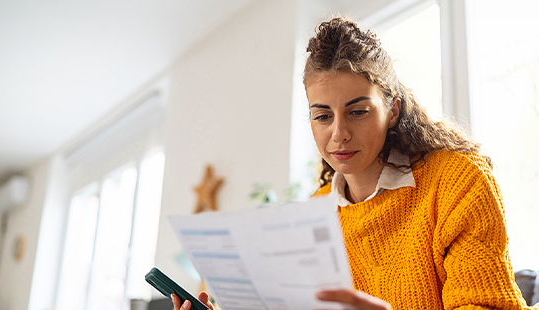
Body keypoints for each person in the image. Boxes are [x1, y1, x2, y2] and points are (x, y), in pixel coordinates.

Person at [173, 16, 538, 310]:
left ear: (392, 110)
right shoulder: (314, 212)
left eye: (358, 111)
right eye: (322, 116)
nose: (339, 134)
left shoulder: (457, 181)